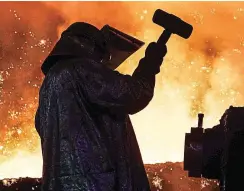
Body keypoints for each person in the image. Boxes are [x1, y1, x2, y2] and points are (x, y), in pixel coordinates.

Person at [35, 22, 167, 191]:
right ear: (89, 46)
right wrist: (150, 63)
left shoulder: (48, 85)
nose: (102, 61)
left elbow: (42, 126)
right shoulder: (82, 70)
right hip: (96, 183)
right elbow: (134, 95)